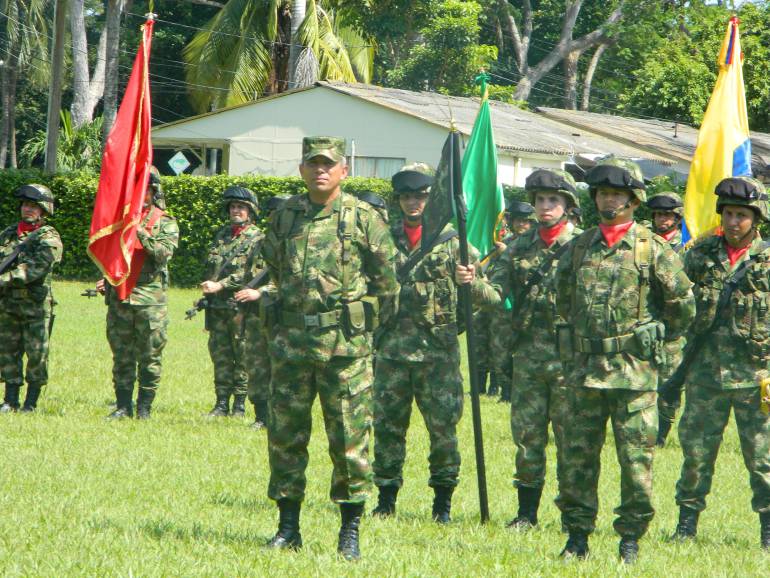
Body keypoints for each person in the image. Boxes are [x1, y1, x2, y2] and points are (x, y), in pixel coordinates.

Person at [260, 137, 398, 561]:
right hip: (292, 348)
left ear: (344, 171)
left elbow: (388, 285)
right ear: (302, 170)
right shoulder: (285, 216)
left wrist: (360, 328)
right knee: (285, 438)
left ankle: (349, 531)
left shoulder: (363, 218)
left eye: (328, 164)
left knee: (349, 441)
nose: (320, 170)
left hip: (345, 351)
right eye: (313, 164)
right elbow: (274, 267)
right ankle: (288, 528)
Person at [553, 158, 694, 563]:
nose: (608, 200)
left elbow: (684, 306)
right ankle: (577, 536)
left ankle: (630, 538)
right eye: (602, 193)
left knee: (635, 464)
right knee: (576, 460)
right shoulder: (578, 247)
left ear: (634, 200)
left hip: (634, 375)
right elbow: (561, 300)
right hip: (585, 373)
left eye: (616, 193)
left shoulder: (653, 249)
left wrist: (660, 333)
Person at [371, 163, 499, 523]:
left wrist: (470, 281)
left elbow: (493, 297)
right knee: (387, 430)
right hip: (391, 354)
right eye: (406, 197)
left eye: (421, 196)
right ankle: (385, 499)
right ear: (398, 200)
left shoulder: (454, 241)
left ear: (432, 199)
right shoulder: (382, 239)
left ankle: (442, 504)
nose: (413, 203)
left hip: (438, 357)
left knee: (443, 432)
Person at [667, 177, 770, 550]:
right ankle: (686, 525)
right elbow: (675, 300)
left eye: (742, 215)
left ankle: (768, 530)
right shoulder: (699, 254)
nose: (733, 222)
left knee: (763, 458)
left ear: (756, 218)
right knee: (696, 453)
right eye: (728, 214)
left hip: (756, 377)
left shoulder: (767, 259)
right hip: (705, 375)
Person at [488, 169, 582, 530]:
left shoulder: (583, 245)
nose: (545, 206)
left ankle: (572, 513)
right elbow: (496, 293)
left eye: (553, 200)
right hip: (528, 357)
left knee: (571, 440)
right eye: (540, 200)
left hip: (570, 360)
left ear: (567, 206)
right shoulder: (519, 246)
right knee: (528, 439)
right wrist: (472, 283)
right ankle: (526, 514)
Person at [99, 167, 179, 420]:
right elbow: (111, 253)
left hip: (149, 301)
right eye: (135, 189)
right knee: (122, 355)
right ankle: (123, 406)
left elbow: (163, 254)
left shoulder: (165, 222)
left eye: (145, 190)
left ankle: (144, 408)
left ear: (154, 193)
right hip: (121, 297)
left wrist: (140, 231)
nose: (140, 194)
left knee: (150, 356)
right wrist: (107, 277)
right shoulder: (119, 220)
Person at [201, 186, 264, 418]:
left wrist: (221, 285)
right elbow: (212, 267)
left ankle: (239, 405)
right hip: (217, 307)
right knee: (220, 356)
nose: (236, 211)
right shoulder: (222, 236)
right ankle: (221, 403)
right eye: (233, 207)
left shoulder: (258, 239)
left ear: (251, 211)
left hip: (242, 308)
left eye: (241, 207)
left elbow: (253, 273)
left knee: (243, 356)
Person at [0, 184, 62, 413]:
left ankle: (31, 404)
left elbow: (36, 269)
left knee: (37, 354)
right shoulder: (8, 234)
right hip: (8, 304)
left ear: (44, 210)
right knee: (8, 351)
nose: (28, 209)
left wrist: (4, 279)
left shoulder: (49, 237)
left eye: (34, 206)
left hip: (35, 306)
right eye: (25, 204)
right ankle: (10, 401)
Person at [235, 194, 287, 430]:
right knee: (256, 366)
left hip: (283, 317)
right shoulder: (261, 243)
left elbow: (293, 282)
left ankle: (281, 417)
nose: (275, 220)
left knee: (282, 369)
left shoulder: (298, 244)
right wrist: (242, 308)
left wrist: (262, 292)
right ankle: (261, 416)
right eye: (272, 215)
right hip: (257, 316)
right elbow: (248, 276)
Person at [482, 198, 537, 400]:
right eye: (517, 220)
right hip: (504, 305)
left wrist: (509, 255)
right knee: (500, 347)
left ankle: (519, 389)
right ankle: (504, 389)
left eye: (525, 221)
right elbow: (494, 269)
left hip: (526, 306)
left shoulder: (534, 245)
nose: (521, 224)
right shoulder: (503, 244)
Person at [646, 191, 686, 446]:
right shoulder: (644, 245)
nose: (662, 219)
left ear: (677, 218)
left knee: (669, 383)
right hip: (647, 324)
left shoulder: (687, 247)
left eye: (667, 215)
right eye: (658, 214)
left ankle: (661, 433)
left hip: (675, 328)